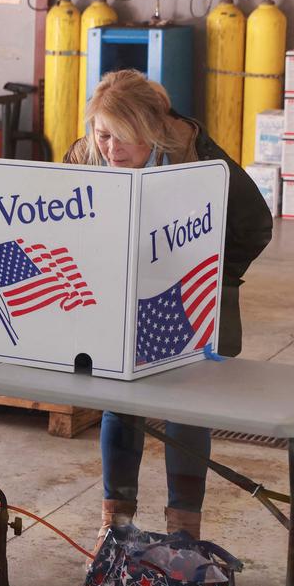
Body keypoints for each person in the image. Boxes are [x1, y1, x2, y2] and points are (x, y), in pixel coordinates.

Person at [65, 70, 274, 541]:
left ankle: (184, 527)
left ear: (152, 133)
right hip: (117, 299)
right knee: (120, 402)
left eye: (124, 139)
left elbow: (254, 225)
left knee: (187, 405)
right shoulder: (85, 156)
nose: (111, 150)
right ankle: (115, 521)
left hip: (185, 298)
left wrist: (215, 278)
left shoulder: (199, 159)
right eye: (103, 136)